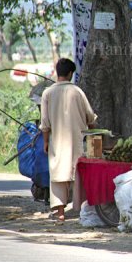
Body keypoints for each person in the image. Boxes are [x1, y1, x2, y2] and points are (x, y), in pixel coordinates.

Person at [40, 58, 97, 221]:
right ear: (71, 73)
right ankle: (81, 209)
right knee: (78, 172)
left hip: (56, 141)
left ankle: (60, 213)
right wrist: (95, 133)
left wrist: (45, 142)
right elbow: (90, 117)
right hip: (77, 141)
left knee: (58, 174)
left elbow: (45, 124)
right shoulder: (77, 92)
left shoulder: (48, 93)